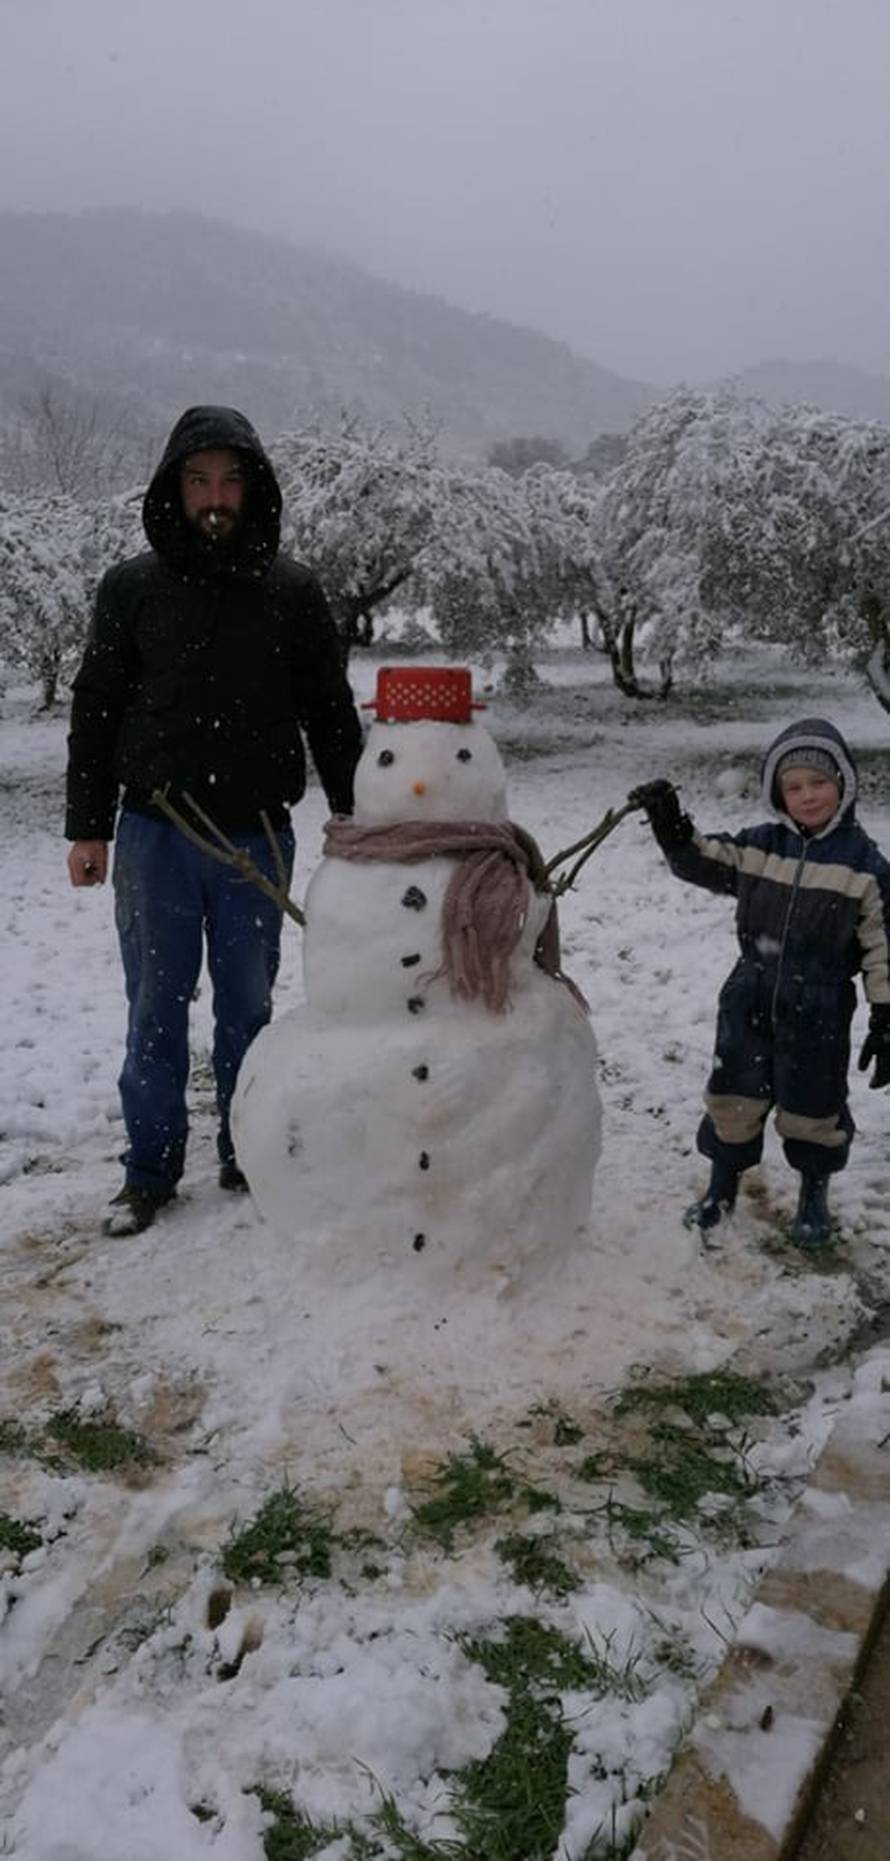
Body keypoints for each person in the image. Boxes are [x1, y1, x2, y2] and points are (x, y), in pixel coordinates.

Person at [66, 405, 363, 1236]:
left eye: (231, 480)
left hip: (255, 835)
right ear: (174, 487)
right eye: (199, 481)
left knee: (248, 1004)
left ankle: (249, 1149)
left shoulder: (292, 591)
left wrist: (358, 814)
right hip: (155, 833)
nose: (215, 497)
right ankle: (150, 1169)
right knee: (155, 1003)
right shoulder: (131, 588)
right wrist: (85, 826)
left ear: (254, 487)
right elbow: (97, 707)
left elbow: (330, 712)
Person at [629, 717, 890, 1247]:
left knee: (813, 1108)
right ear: (778, 794)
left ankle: (812, 1193)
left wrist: (885, 1013)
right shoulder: (759, 847)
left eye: (819, 782)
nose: (808, 795)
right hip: (748, 995)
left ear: (843, 784)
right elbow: (703, 860)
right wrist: (671, 826)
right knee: (733, 1098)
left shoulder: (865, 867)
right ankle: (722, 1187)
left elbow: (885, 948)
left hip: (819, 1007)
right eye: (793, 787)